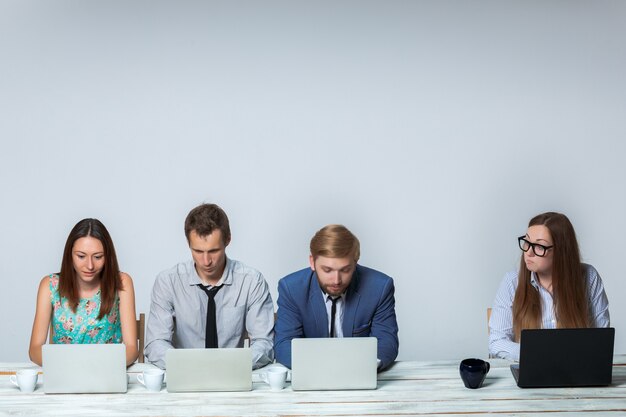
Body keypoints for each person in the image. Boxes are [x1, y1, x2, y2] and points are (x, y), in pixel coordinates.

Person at [144, 203, 274, 369]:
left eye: (214, 251)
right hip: (185, 375)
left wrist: (231, 366)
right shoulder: (168, 282)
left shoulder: (251, 282)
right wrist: (188, 367)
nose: (206, 261)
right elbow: (156, 343)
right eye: (198, 251)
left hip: (233, 374)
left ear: (228, 240)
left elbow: (264, 343)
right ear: (188, 243)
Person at [274, 224, 399, 370]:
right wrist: (323, 368)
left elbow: (386, 343)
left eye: (345, 270)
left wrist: (364, 367)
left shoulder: (380, 288)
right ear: (312, 262)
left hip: (360, 373)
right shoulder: (291, 289)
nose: (336, 280)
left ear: (355, 262)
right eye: (327, 270)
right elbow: (284, 345)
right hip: (311, 375)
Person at [489, 212, 610, 361]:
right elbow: (496, 342)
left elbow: (601, 339)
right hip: (531, 369)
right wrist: (538, 353)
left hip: (576, 373)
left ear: (561, 250)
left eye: (539, 246)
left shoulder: (589, 277)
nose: (529, 252)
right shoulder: (512, 282)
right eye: (527, 242)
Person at [29, 218, 138, 366]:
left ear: (108, 256)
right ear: (69, 254)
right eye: (81, 256)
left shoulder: (121, 283)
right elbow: (35, 349)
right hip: (64, 373)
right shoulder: (50, 285)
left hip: (106, 372)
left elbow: (131, 348)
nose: (90, 265)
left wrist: (99, 366)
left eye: (98, 257)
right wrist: (68, 366)